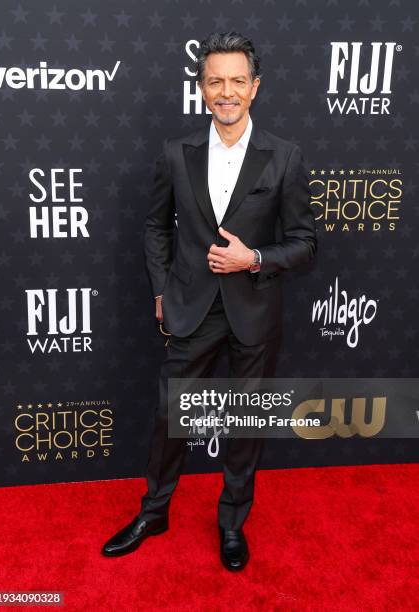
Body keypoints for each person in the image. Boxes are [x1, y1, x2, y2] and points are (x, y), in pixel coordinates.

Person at [102, 31, 317, 571]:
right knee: (169, 415)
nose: (227, 91)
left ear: (255, 88)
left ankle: (231, 523)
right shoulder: (177, 153)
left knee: (245, 426)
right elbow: (155, 227)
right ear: (201, 88)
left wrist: (256, 258)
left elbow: (306, 243)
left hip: (254, 310)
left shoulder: (285, 158)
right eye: (215, 81)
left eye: (237, 81)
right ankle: (154, 512)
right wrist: (159, 288)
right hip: (190, 307)